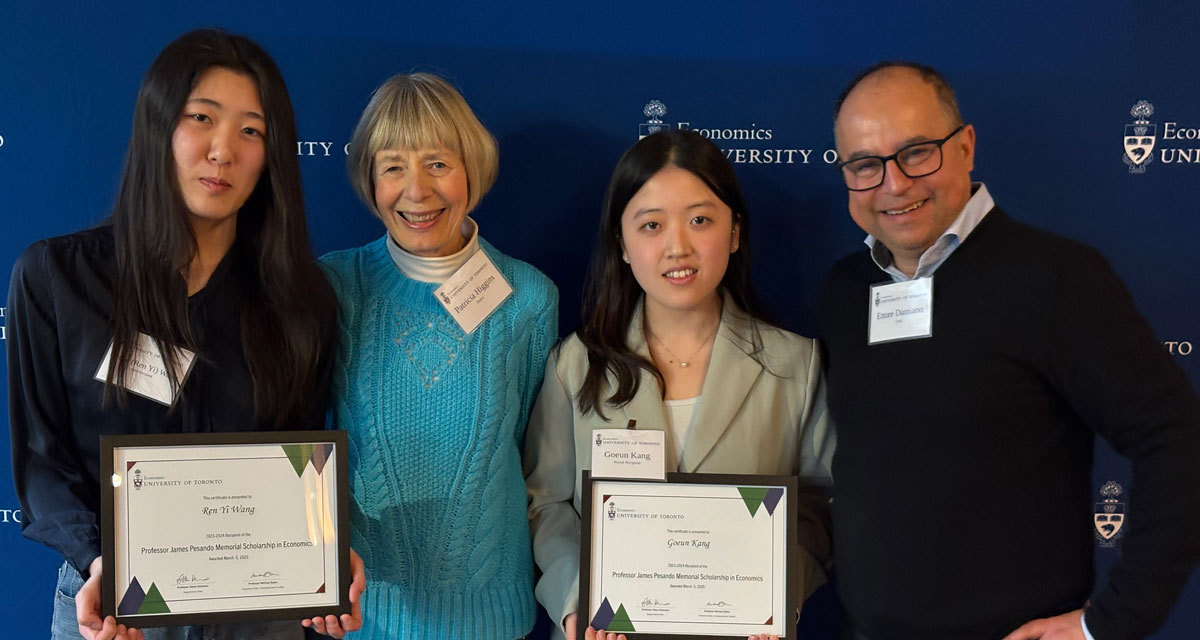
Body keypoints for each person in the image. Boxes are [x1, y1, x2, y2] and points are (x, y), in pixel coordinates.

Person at [819, 61, 1200, 640]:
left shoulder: (1057, 278)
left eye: (918, 152)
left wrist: (1113, 621)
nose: (894, 184)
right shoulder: (845, 291)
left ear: (966, 146)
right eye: (866, 165)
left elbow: (1175, 435)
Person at [6, 29, 364, 640]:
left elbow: (298, 461)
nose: (223, 150)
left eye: (251, 130)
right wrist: (101, 563)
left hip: (257, 607)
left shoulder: (301, 301)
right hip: (112, 604)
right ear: (158, 127)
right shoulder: (57, 277)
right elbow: (41, 460)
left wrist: (325, 552)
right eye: (202, 118)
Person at [524, 130, 834, 640]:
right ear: (621, 244)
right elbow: (546, 502)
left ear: (734, 233)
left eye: (700, 220)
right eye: (650, 225)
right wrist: (576, 599)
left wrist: (776, 593)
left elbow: (819, 506)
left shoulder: (795, 365)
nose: (677, 246)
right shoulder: (576, 364)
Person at [321, 72, 558, 639]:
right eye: (393, 166)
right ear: (370, 179)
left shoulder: (528, 299)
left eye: (437, 163)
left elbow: (533, 462)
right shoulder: (330, 287)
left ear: (471, 171)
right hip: (360, 617)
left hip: (489, 618)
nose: (417, 191)